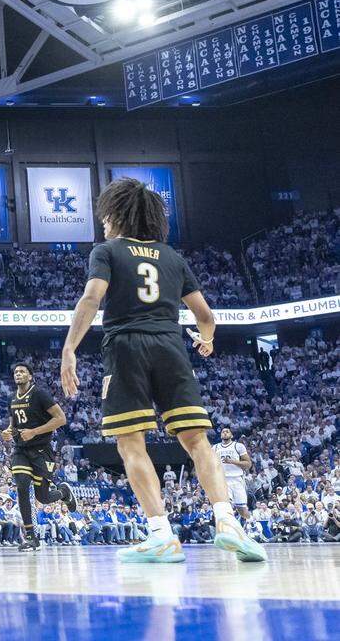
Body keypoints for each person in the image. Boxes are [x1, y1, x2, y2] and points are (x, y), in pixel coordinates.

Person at [60, 177, 266, 563]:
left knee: (130, 443)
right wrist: (205, 340)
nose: (103, 222)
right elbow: (205, 315)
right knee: (197, 440)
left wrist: (69, 349)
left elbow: (91, 298)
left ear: (117, 214)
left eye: (106, 215)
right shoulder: (172, 257)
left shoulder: (106, 250)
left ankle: (161, 534)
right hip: (171, 347)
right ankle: (227, 521)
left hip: (126, 347)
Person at [0, 362, 77, 552]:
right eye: (16, 371)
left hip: (42, 449)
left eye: (22, 371)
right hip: (21, 450)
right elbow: (13, 424)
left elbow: (61, 419)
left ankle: (63, 493)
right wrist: (8, 432)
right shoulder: (12, 398)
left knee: (43, 497)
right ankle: (32, 537)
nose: (18, 374)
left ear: (30, 376)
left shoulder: (39, 394)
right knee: (22, 486)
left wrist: (34, 431)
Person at [215, 428, 253, 521]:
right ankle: (229, 529)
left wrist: (232, 461)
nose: (225, 433)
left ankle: (253, 523)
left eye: (227, 431)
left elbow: (248, 464)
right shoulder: (215, 448)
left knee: (242, 510)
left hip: (237, 479)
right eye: (223, 432)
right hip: (223, 480)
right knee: (226, 506)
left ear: (231, 435)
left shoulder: (238, 446)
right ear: (220, 435)